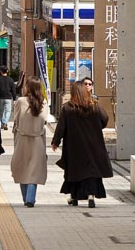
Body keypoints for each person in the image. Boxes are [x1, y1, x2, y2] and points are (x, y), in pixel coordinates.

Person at [51, 80, 113, 208]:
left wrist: (56, 142)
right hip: (93, 145)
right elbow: (105, 119)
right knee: (91, 170)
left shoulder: (68, 108)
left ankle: (74, 197)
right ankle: (91, 195)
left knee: (75, 171)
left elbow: (61, 127)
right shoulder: (94, 106)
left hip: (74, 146)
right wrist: (96, 127)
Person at [10, 77, 51, 207]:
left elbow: (16, 120)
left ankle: (26, 198)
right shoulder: (43, 102)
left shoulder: (21, 101)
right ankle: (30, 199)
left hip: (22, 138)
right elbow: (44, 120)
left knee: (22, 168)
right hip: (38, 139)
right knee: (34, 170)